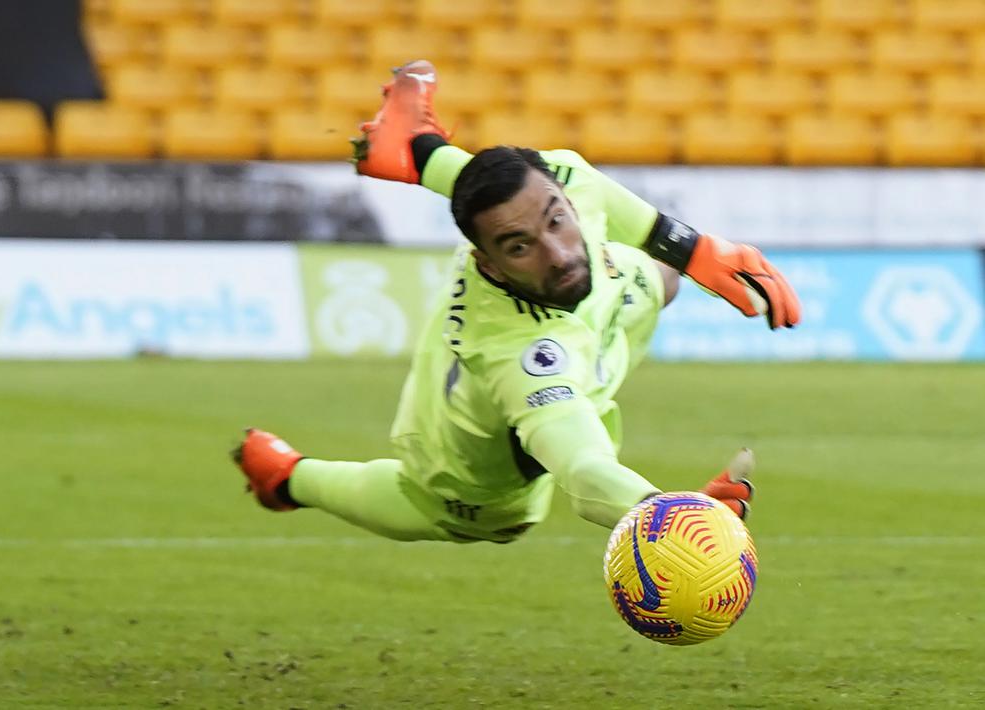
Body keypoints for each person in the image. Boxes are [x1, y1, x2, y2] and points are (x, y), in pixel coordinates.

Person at [231, 61, 799, 543]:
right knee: (458, 509)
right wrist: (668, 518)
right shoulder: (520, 360)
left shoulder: (563, 182)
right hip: (493, 442)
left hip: (579, 312)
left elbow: (581, 196)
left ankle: (410, 150)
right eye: (520, 246)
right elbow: (583, 470)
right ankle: (288, 480)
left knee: (659, 276)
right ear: (487, 262)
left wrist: (696, 250)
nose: (555, 253)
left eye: (558, 220)